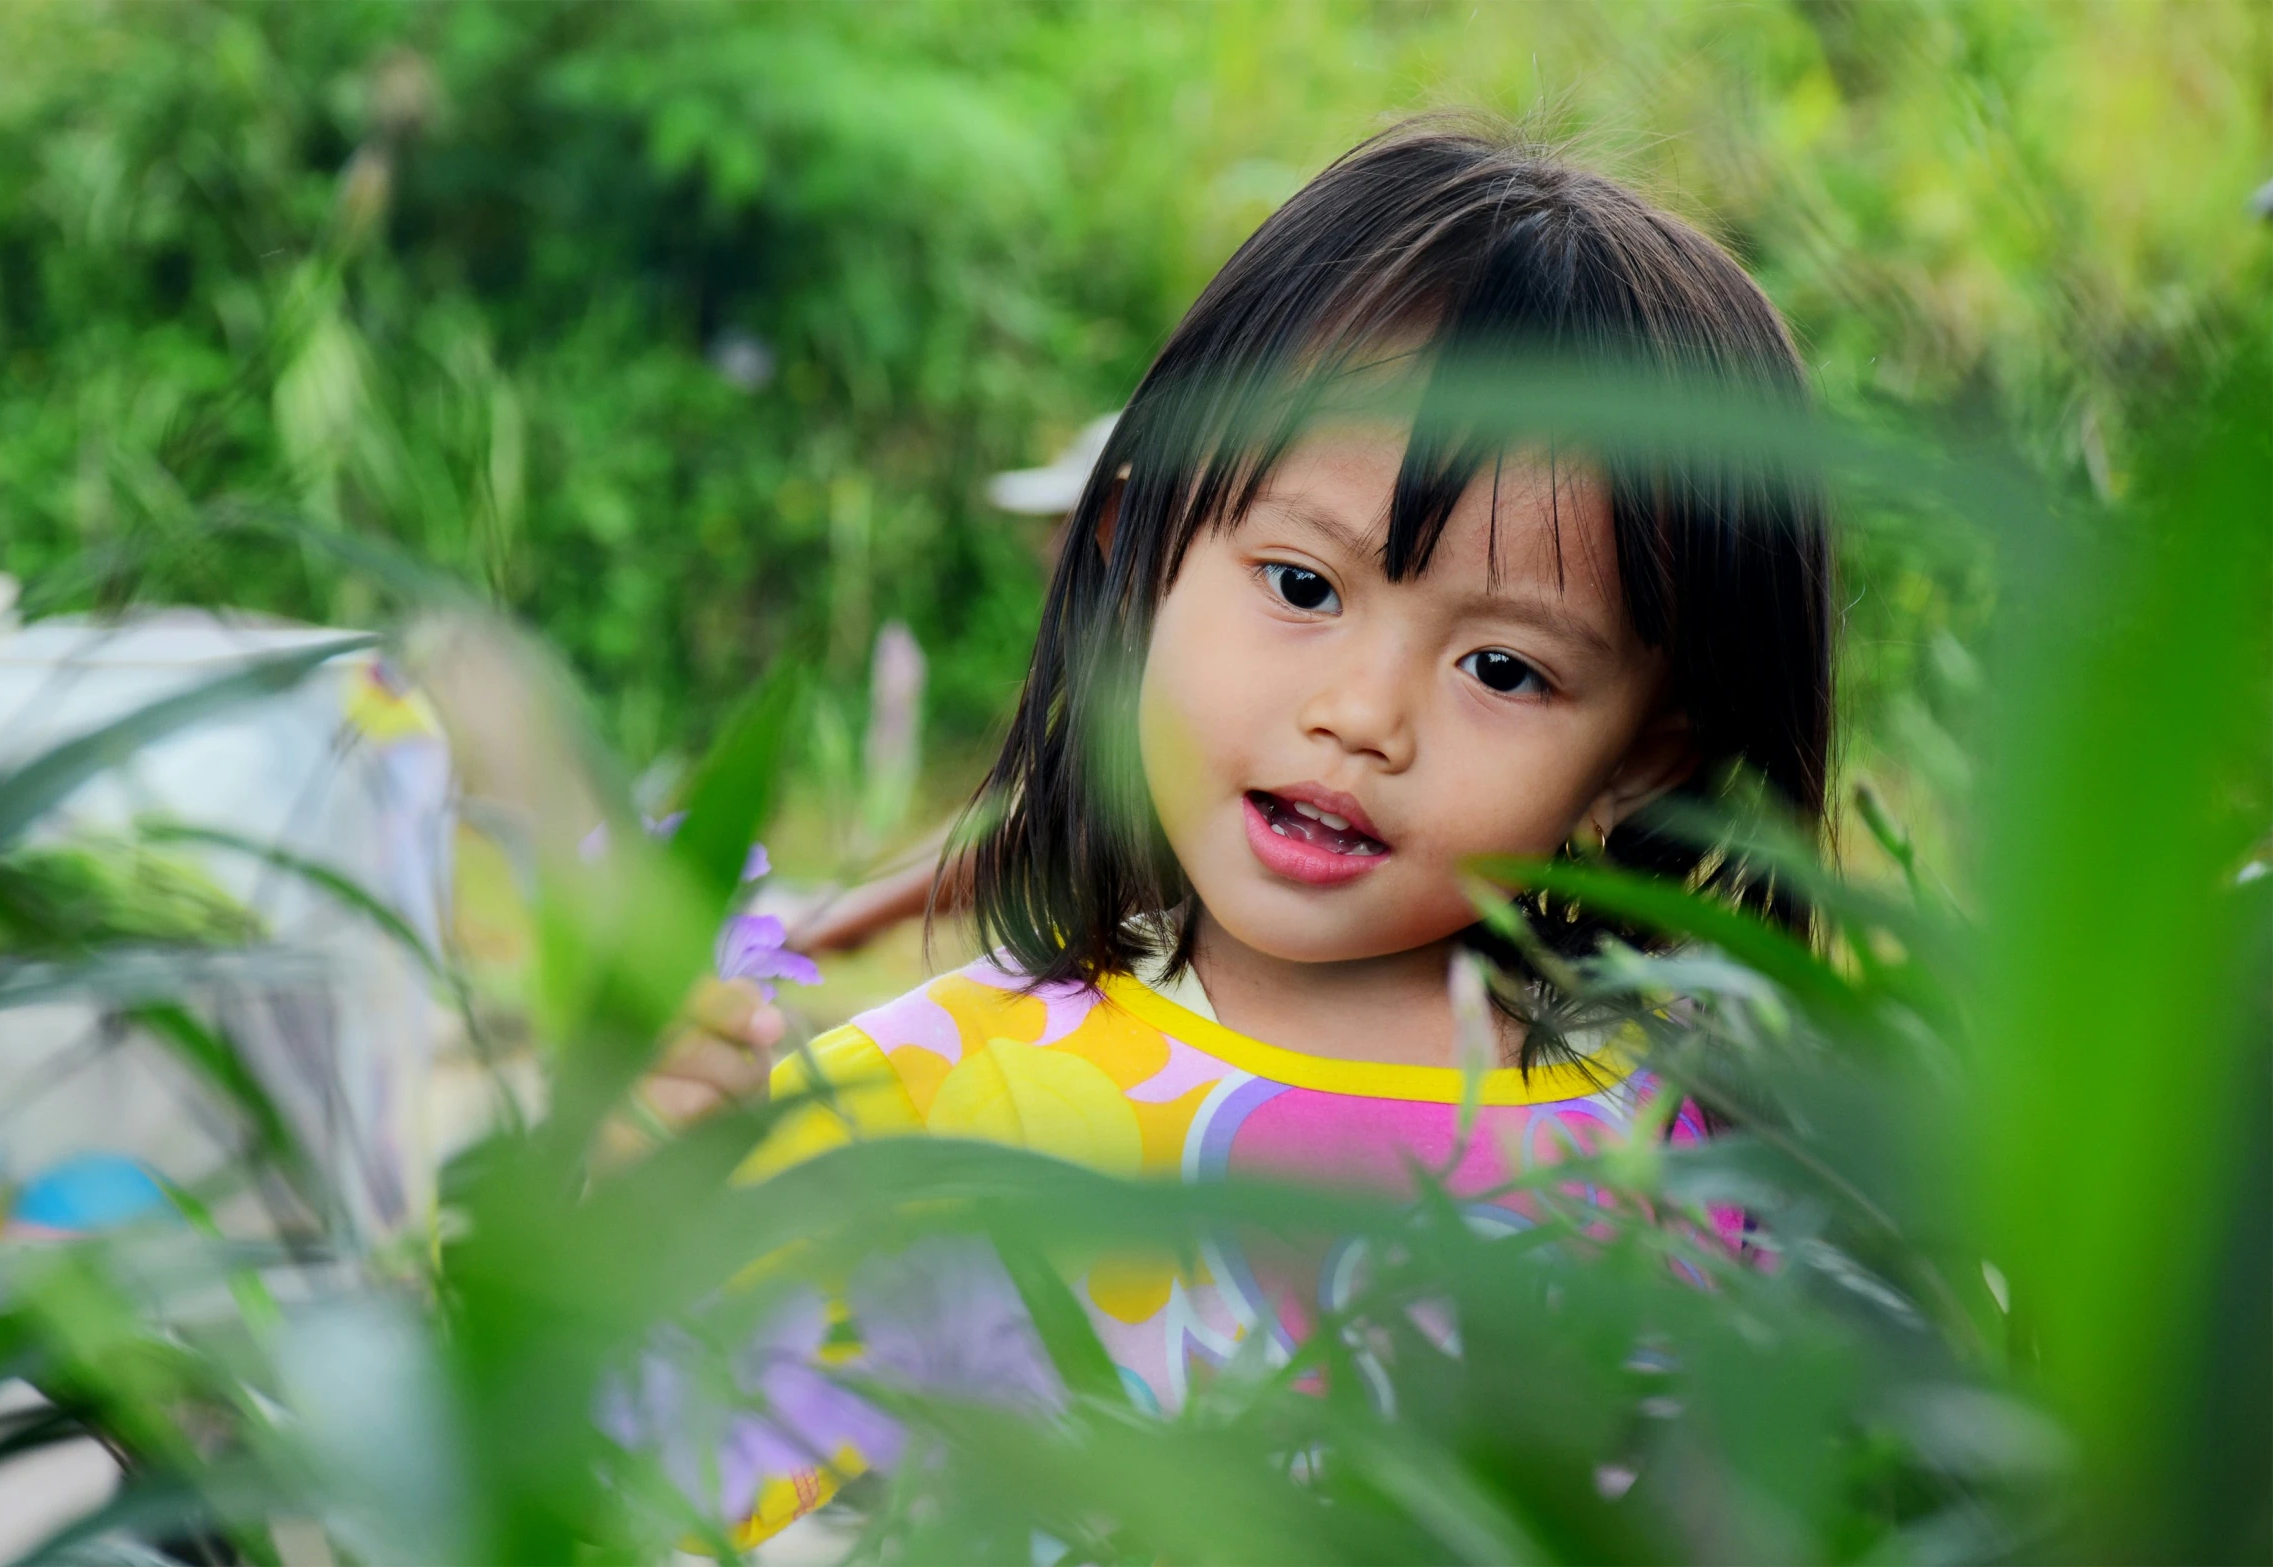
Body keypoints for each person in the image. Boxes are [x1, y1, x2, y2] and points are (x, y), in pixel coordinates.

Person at [650, 118, 1831, 1537]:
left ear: (1639, 760)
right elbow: (645, 1453)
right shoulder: (922, 1109)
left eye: (1502, 669)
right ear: (1135, 562)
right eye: (1300, 584)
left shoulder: (1688, 1171)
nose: (1361, 714)